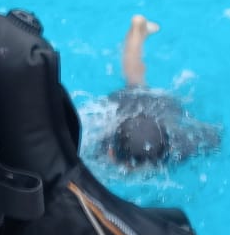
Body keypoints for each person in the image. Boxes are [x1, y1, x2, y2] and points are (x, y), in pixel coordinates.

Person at [91, 15, 221, 168]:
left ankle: (137, 30)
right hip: (147, 107)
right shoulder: (185, 145)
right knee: (135, 81)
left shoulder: (98, 151)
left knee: (135, 81)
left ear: (111, 153)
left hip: (153, 107)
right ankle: (137, 30)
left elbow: (214, 137)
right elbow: (214, 137)